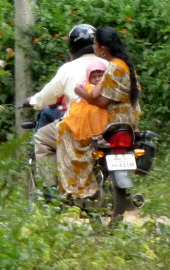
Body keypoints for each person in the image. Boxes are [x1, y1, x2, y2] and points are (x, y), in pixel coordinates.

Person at [56, 27, 141, 199]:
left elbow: (101, 101)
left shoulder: (115, 68)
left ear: (103, 48)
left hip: (112, 120)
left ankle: (78, 187)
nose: (93, 49)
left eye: (95, 45)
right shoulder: (124, 65)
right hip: (128, 119)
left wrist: (81, 93)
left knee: (65, 129)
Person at [24, 24, 107, 194]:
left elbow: (46, 96)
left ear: (72, 47)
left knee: (41, 138)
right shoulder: (110, 64)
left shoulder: (68, 68)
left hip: (81, 125)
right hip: (110, 124)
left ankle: (50, 190)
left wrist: (33, 101)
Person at [62, 60, 108, 140]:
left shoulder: (109, 85)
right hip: (83, 109)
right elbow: (94, 95)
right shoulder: (89, 85)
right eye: (93, 77)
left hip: (92, 107)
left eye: (100, 76)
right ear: (88, 78)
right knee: (95, 112)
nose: (97, 79)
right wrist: (101, 82)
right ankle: (97, 134)